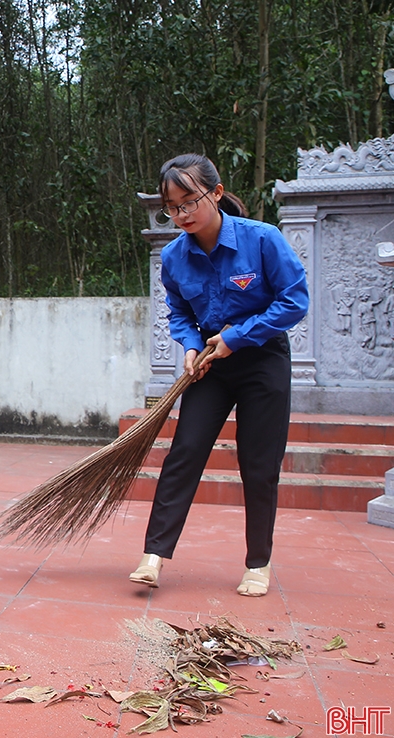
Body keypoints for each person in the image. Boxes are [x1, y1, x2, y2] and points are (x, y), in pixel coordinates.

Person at [130, 154, 309, 597]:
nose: (181, 215)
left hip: (263, 359)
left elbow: (294, 301)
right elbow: (180, 314)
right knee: (185, 452)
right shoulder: (173, 257)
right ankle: (154, 554)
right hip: (211, 362)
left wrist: (238, 337)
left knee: (259, 463)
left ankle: (258, 563)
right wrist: (191, 344)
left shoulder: (262, 240)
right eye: (172, 207)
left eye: (189, 201)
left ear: (216, 191)